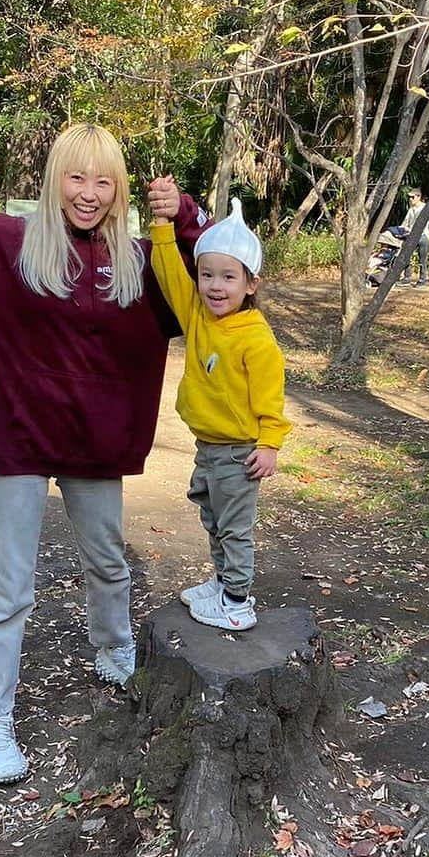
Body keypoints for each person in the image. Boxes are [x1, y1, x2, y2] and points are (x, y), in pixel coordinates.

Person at [0, 53, 207, 785]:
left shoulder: (138, 262)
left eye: (104, 180)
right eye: (75, 176)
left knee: (108, 563)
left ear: (119, 188)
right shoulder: (4, 244)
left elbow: (221, 272)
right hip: (19, 440)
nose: (89, 194)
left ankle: (115, 653)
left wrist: (182, 214)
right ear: (54, 177)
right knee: (10, 585)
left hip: (93, 445)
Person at [148, 198, 290, 631]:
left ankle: (237, 601)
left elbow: (271, 397)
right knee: (212, 517)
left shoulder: (255, 338)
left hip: (239, 451)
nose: (215, 285)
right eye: (207, 274)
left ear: (251, 284)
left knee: (235, 527)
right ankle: (222, 580)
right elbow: (171, 273)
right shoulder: (199, 315)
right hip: (207, 446)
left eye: (228, 276)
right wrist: (162, 226)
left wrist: (269, 444)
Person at [399, 188, 429, 286]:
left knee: (422, 259)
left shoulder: (424, 208)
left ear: (418, 197)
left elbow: (422, 224)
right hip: (411, 236)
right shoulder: (411, 209)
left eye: (412, 197)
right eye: (409, 197)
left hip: (422, 236)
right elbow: (405, 223)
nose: (410, 199)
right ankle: (407, 277)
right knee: (406, 256)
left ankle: (422, 280)